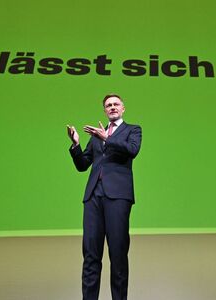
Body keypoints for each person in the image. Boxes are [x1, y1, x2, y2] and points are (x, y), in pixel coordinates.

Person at [67, 94, 142, 300]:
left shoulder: (132, 130)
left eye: (116, 104)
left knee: (118, 255)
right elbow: (83, 165)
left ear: (123, 108)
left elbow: (132, 150)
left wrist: (107, 138)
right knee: (90, 255)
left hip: (118, 196)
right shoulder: (96, 136)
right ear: (105, 110)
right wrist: (75, 145)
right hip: (93, 196)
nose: (112, 107)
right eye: (108, 105)